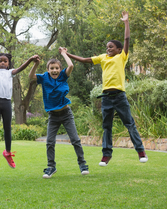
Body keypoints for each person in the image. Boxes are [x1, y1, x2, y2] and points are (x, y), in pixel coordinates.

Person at [65, 11, 148, 166]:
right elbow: (84, 60)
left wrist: (126, 22)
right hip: (106, 98)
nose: (108, 48)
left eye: (111, 47)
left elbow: (127, 39)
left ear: (118, 49)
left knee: (129, 124)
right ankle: (106, 155)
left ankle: (141, 151)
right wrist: (66, 53)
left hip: (120, 96)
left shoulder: (121, 57)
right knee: (106, 127)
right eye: (107, 47)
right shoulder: (102, 57)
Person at [29, 48, 89, 178]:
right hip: (53, 116)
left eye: (56, 68)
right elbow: (31, 76)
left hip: (66, 114)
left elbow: (71, 65)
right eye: (52, 68)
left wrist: (64, 54)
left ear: (59, 69)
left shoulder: (63, 76)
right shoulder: (44, 77)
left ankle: (82, 164)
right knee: (50, 142)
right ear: (48, 69)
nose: (54, 70)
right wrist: (35, 64)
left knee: (75, 140)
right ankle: (51, 167)